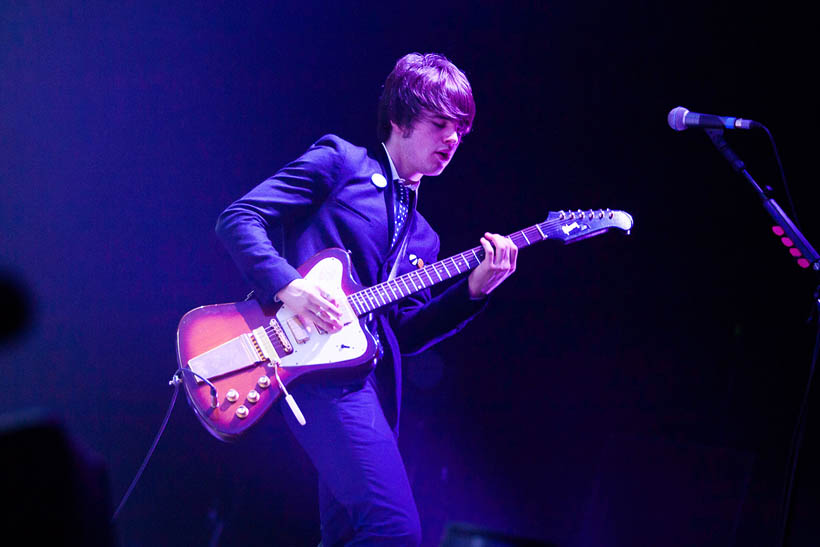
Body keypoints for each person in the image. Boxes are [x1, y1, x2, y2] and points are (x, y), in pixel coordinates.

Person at [215, 52, 517, 546]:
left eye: (460, 130)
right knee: (394, 530)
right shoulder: (342, 163)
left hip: (362, 384)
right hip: (310, 370)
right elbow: (239, 219)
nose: (451, 140)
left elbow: (401, 333)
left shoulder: (424, 237)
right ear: (399, 119)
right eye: (440, 123)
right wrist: (290, 285)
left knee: (350, 534)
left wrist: (471, 292)